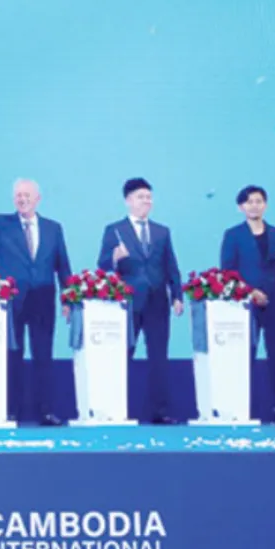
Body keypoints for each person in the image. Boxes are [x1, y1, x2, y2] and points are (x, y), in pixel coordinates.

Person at [0, 177, 72, 426]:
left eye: (27, 195)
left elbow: (63, 266)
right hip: (11, 301)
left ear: (38, 199)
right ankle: (11, 410)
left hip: (43, 300)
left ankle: (46, 412)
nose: (22, 199)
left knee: (43, 356)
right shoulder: (0, 224)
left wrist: (67, 298)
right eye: (18, 196)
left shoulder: (53, 228)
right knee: (11, 356)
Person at [96, 178, 183, 424]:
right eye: (140, 197)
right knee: (121, 356)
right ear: (128, 201)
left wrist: (177, 295)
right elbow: (102, 265)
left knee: (159, 358)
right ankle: (115, 409)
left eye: (149, 197)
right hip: (128, 302)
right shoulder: (114, 230)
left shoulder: (162, 231)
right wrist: (114, 257)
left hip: (158, 302)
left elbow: (171, 266)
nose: (146, 201)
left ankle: (160, 412)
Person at [220, 185, 275, 422]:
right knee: (244, 358)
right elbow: (227, 272)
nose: (254, 206)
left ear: (265, 205)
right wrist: (250, 291)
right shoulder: (233, 235)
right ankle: (243, 409)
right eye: (249, 202)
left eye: (259, 201)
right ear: (240, 207)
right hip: (246, 306)